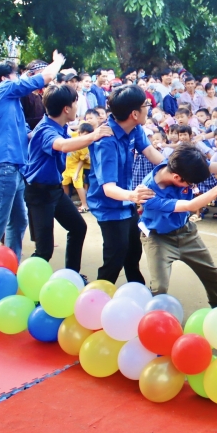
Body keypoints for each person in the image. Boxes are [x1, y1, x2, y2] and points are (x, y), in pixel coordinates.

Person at [0, 53, 65, 259]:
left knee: (18, 221)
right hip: (2, 165)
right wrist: (58, 61)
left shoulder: (12, 105)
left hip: (14, 167)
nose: (20, 77)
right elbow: (45, 77)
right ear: (5, 78)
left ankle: (10, 264)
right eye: (16, 74)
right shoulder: (2, 89)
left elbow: (30, 134)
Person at [24, 84, 112, 277]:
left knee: (78, 227)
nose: (76, 106)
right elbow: (62, 146)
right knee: (44, 250)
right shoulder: (46, 130)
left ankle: (71, 275)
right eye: (74, 103)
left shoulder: (60, 126)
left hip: (54, 191)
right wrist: (94, 135)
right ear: (66, 109)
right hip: (39, 194)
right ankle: (25, 282)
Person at [139, 144, 217, 306]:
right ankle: (154, 318)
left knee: (211, 272)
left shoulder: (184, 163)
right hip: (158, 239)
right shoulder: (148, 193)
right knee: (159, 287)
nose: (192, 186)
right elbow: (190, 206)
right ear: (178, 178)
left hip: (186, 232)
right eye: (191, 184)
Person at [88, 84, 167, 284]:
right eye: (146, 104)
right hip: (109, 206)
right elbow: (108, 188)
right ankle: (96, 297)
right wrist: (133, 195)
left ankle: (137, 289)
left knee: (133, 250)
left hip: (127, 203)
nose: (149, 107)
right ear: (134, 113)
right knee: (115, 256)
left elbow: (151, 153)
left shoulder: (135, 129)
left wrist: (174, 167)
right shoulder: (106, 140)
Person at [62, 122, 93, 213]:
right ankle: (66, 202)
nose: (87, 137)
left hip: (76, 167)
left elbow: (82, 160)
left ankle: (85, 204)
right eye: (85, 135)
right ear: (79, 133)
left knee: (78, 185)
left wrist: (76, 172)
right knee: (64, 183)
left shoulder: (84, 146)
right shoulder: (73, 136)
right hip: (67, 166)